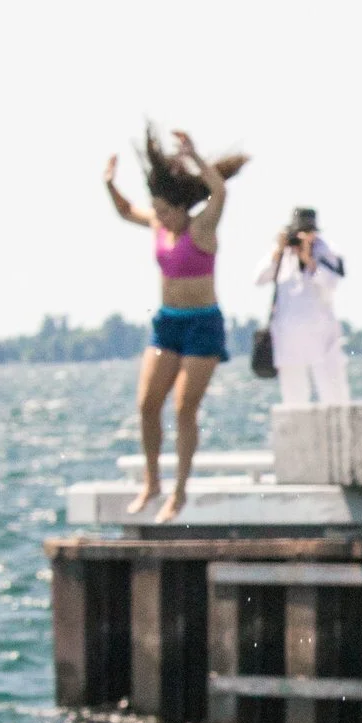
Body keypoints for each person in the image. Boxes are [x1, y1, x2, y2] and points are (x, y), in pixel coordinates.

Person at [103, 126, 248, 520]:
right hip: (167, 323)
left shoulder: (202, 229)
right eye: (158, 211)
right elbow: (125, 211)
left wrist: (197, 157)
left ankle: (179, 492)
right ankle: (152, 482)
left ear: (183, 208)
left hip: (203, 325)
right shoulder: (158, 225)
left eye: (166, 210)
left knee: (185, 409)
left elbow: (220, 192)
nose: (160, 218)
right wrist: (110, 185)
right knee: (147, 405)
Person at [258, 207, 349, 406]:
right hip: (288, 339)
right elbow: (259, 278)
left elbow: (332, 282)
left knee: (335, 398)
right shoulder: (282, 254)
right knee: (293, 401)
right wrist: (279, 250)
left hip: (322, 338)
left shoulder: (326, 251)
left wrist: (309, 260)